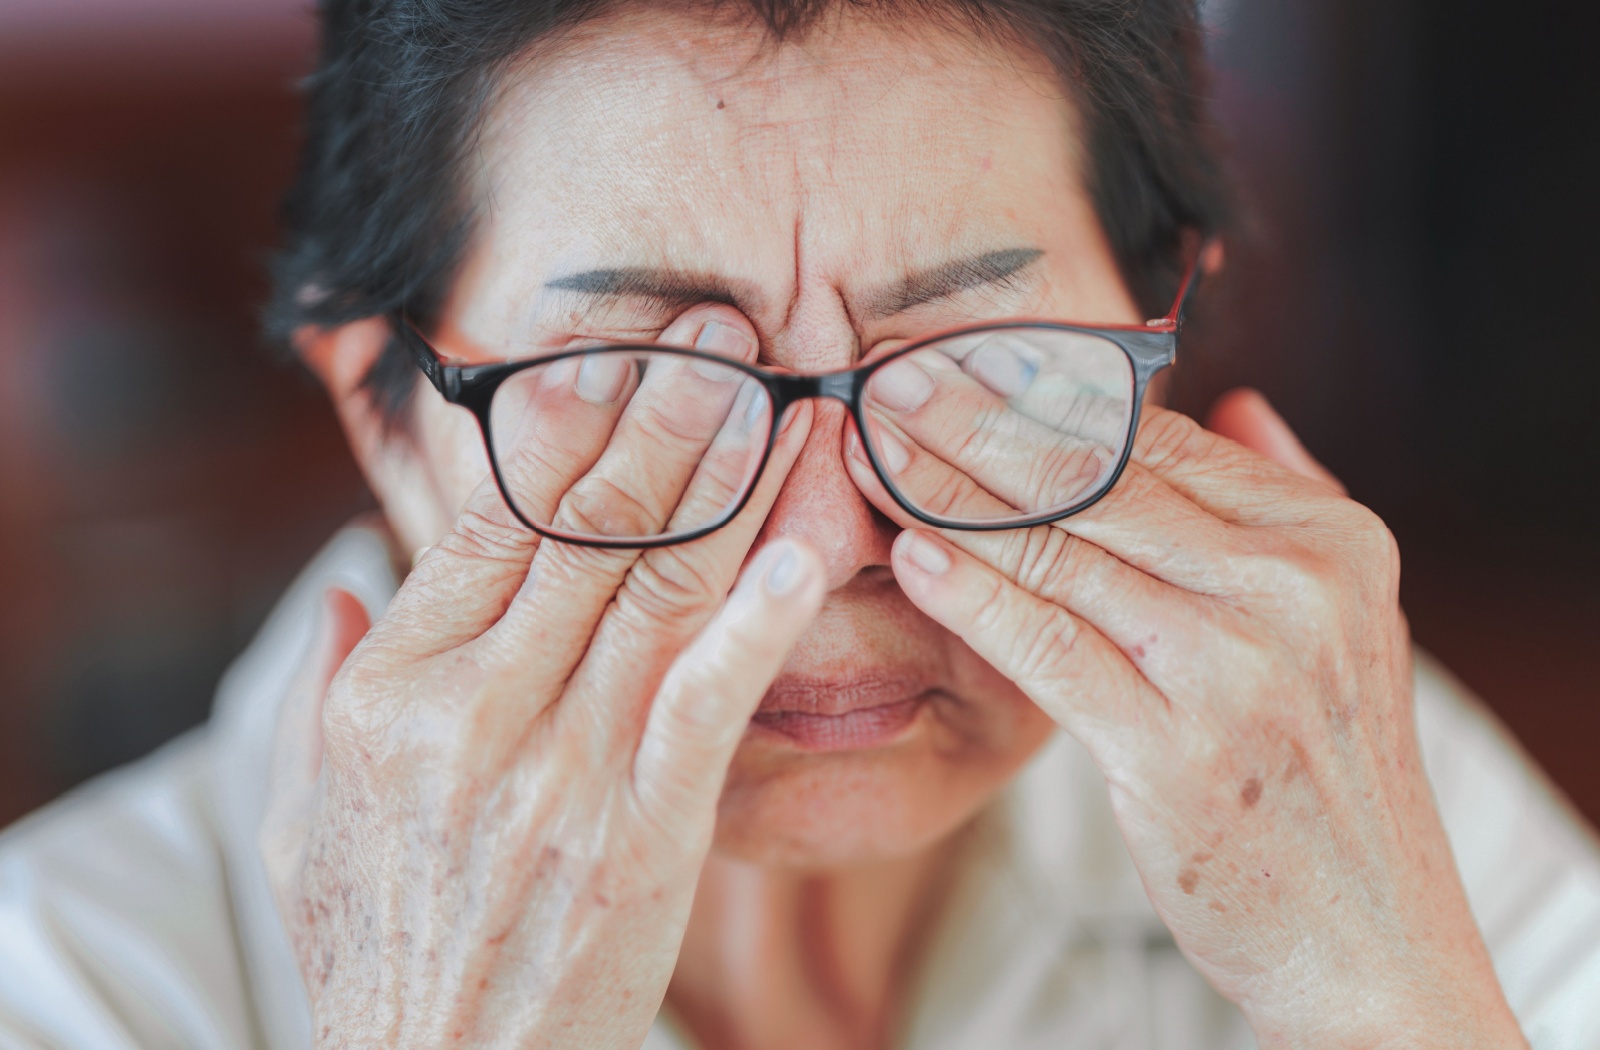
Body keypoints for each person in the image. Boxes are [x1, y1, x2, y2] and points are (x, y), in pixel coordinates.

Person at [1, 0, 1597, 1047]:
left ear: (1164, 348)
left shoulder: (1335, 777)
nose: (824, 545)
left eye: (975, 372)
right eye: (646, 390)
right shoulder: (74, 977)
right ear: (383, 414)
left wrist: (1392, 998)